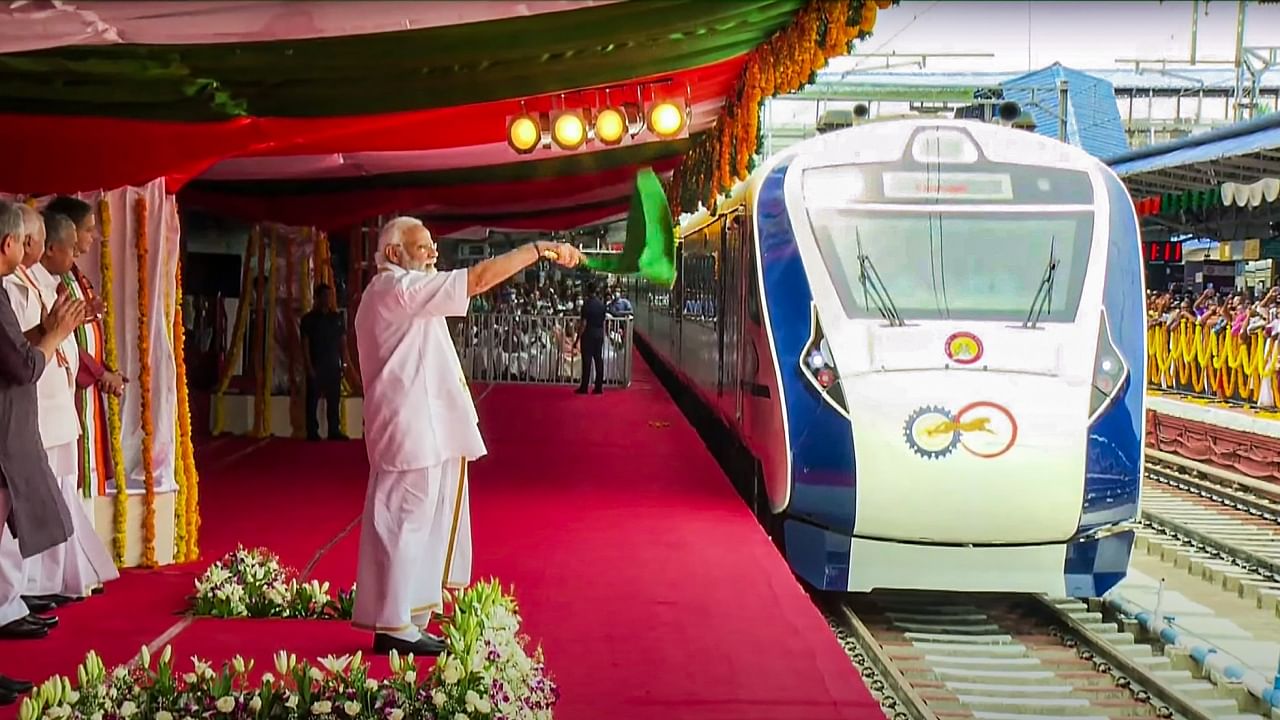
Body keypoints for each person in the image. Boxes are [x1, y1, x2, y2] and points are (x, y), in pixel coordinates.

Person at [351, 216, 582, 656]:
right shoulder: (397, 289)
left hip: (420, 428)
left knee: (416, 524)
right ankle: (395, 625)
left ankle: (405, 619)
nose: (433, 254)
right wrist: (537, 249)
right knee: (406, 523)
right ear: (395, 253)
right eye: (423, 247)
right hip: (412, 429)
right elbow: (476, 280)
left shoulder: (397, 290)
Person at [0, 200, 84, 679]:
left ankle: (14, 601)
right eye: (23, 239)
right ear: (12, 244)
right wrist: (52, 336)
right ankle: (12, 601)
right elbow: (24, 365)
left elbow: (16, 347)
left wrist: (48, 330)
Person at [17, 213, 119, 600]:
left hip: (60, 406)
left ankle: (51, 580)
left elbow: (60, 336)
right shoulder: (13, 285)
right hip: (38, 406)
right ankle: (24, 589)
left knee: (59, 499)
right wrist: (52, 328)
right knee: (34, 503)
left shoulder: (44, 282)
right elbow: (24, 346)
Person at [41, 196, 124, 499]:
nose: (92, 236)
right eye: (88, 230)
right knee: (71, 478)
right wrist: (101, 374)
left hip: (86, 387)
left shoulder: (73, 273)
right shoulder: (53, 278)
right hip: (72, 388)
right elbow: (62, 339)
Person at [300, 284, 354, 441]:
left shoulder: (336, 318)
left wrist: (344, 364)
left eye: (330, 296)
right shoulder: (308, 320)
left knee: (334, 400)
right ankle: (312, 431)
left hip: (332, 365)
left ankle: (334, 430)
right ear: (317, 298)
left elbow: (343, 344)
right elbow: (305, 345)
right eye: (325, 296)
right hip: (316, 364)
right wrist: (308, 366)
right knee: (312, 400)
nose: (328, 300)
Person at [576, 282, 606, 395]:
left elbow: (583, 324)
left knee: (587, 361)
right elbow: (603, 322)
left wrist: (577, 338)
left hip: (588, 335)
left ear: (588, 291)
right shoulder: (601, 305)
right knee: (598, 360)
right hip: (599, 334)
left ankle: (584, 387)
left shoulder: (586, 305)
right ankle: (599, 387)